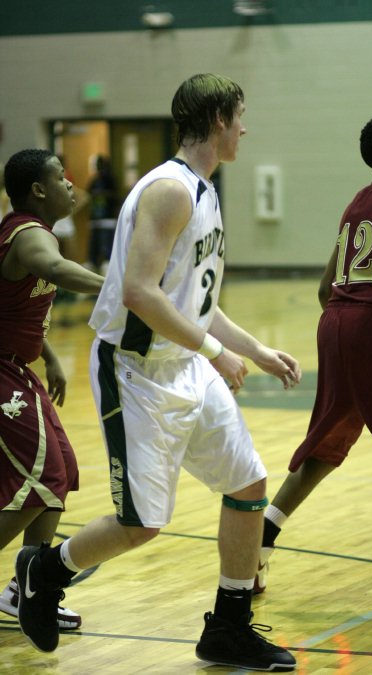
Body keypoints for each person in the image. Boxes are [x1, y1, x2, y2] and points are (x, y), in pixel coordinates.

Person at [14, 74, 300, 670]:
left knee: (247, 485)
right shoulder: (169, 189)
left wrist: (255, 349)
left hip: (184, 363)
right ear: (219, 118)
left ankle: (228, 625)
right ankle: (45, 570)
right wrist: (218, 354)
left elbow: (193, 299)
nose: (245, 128)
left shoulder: (205, 189)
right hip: (136, 372)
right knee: (141, 525)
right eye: (240, 116)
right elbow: (142, 293)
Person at [255, 113, 372, 621]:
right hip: (370, 325)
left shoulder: (356, 204)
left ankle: (258, 545)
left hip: (335, 323)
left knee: (326, 444)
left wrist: (347, 336)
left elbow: (325, 288)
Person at [0, 149, 103, 629]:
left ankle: (26, 590)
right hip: (1, 372)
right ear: (38, 190)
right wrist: (123, 286)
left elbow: (18, 309)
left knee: (58, 475)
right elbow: (57, 271)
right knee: (40, 481)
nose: (72, 186)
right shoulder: (28, 234)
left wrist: (50, 354)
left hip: (17, 367)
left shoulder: (28, 232)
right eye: (62, 178)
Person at [85, 155, 118, 275]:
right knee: (93, 250)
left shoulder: (110, 179)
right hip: (95, 219)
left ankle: (107, 275)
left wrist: (102, 193)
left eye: (100, 164)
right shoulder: (95, 180)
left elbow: (115, 195)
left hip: (107, 219)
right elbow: (88, 192)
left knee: (106, 249)